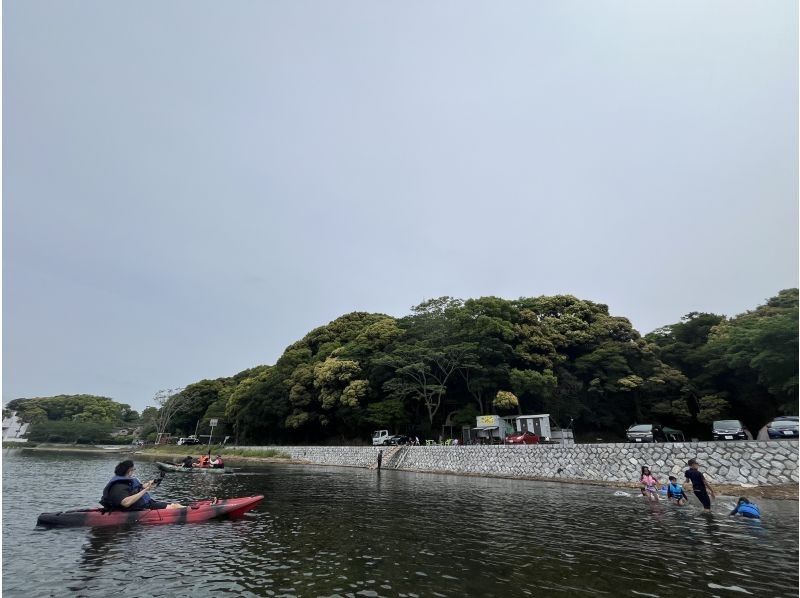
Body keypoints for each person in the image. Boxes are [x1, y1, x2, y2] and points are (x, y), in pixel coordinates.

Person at [100, 460, 184, 511]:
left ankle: (188, 508)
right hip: (140, 507)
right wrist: (146, 489)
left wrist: (149, 484)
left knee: (175, 504)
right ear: (129, 471)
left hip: (144, 504)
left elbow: (137, 488)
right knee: (175, 506)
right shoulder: (119, 486)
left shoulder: (126, 480)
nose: (134, 471)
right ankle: (190, 511)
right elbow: (125, 503)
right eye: (133, 470)